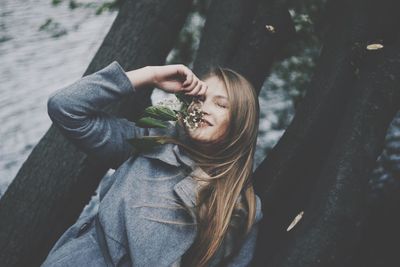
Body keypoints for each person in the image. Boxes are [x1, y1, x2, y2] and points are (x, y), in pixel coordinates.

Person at [41, 60, 263, 267]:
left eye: (221, 105)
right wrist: (151, 75)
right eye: (199, 99)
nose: (203, 108)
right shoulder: (149, 142)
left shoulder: (241, 207)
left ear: (241, 123)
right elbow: (65, 107)